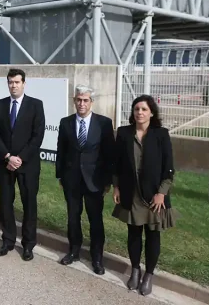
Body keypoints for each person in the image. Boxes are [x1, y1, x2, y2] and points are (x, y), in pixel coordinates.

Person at [112, 94, 178, 296]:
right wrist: (116, 186)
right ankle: (134, 270)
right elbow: (116, 164)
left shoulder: (161, 134)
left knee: (152, 236)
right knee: (133, 234)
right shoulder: (124, 133)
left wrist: (161, 193)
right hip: (131, 192)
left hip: (154, 196)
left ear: (151, 112)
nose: (140, 112)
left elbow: (169, 168)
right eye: (136, 109)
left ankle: (148, 275)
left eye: (144, 109)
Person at [55, 84, 115, 275]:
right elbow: (61, 151)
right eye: (79, 100)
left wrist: (107, 182)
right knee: (73, 217)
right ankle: (74, 251)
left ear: (92, 102)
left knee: (95, 220)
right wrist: (60, 176)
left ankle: (97, 257)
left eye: (85, 100)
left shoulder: (104, 124)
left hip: (94, 181)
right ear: (74, 101)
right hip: (71, 180)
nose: (82, 103)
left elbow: (109, 155)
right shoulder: (65, 123)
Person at [0, 68, 45, 261]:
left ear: (24, 83)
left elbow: (38, 136)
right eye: (10, 82)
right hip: (5, 164)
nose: (13, 85)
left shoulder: (36, 105)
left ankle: (28, 245)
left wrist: (19, 158)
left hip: (27, 165)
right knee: (6, 203)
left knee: (29, 205)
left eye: (17, 82)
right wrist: (7, 156)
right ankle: (8, 240)